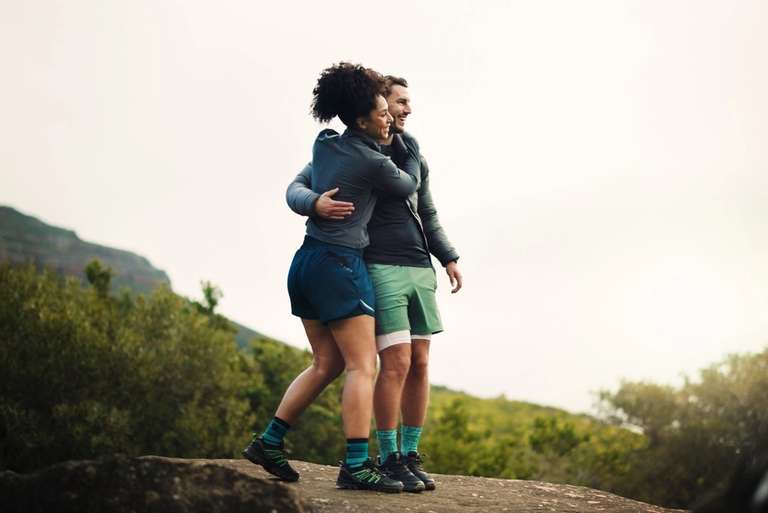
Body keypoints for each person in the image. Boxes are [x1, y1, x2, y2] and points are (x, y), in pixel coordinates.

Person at [243, 63, 421, 493]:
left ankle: (269, 441)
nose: (389, 119)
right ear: (362, 119)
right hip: (341, 264)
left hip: (305, 264)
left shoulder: (324, 145)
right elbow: (408, 182)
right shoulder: (373, 161)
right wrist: (407, 142)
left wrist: (311, 203)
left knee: (327, 363)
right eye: (382, 113)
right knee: (364, 365)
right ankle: (357, 465)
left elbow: (294, 187)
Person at [286, 75, 462, 492]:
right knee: (392, 363)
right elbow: (295, 187)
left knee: (419, 363)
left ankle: (409, 454)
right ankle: (387, 458)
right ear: (377, 108)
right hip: (377, 266)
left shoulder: (411, 149)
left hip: (420, 267)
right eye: (398, 102)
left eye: (405, 103)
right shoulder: (350, 148)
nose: (406, 110)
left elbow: (427, 211)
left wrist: (448, 256)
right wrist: (314, 202)